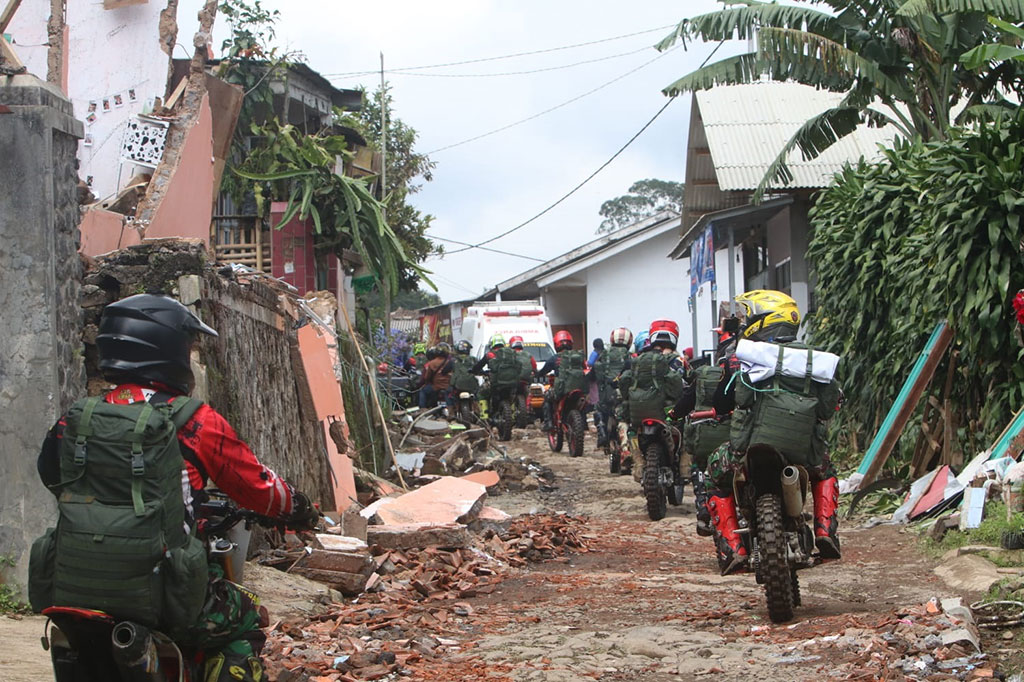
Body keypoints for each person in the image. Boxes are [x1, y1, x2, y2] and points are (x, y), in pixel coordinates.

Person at [31, 294, 319, 682]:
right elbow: (257, 487)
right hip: (164, 596)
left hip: (73, 589)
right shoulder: (195, 420)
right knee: (246, 615)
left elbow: (51, 476)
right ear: (168, 349)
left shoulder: (77, 419)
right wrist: (299, 508)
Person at [704, 290, 842, 576]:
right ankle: (825, 529)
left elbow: (725, 401)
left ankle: (733, 549)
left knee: (714, 474)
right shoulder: (814, 360)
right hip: (805, 453)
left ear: (763, 320)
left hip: (749, 449)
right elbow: (829, 407)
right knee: (825, 471)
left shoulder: (746, 358)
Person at [673, 325, 739, 538]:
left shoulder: (703, 374)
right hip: (737, 437)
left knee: (700, 468)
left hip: (705, 435)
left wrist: (674, 414)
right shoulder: (753, 374)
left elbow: (686, 402)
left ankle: (703, 509)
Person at [535, 330, 587, 432]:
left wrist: (537, 374)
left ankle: (548, 423)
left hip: (561, 390)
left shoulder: (555, 358)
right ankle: (584, 423)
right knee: (582, 402)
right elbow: (585, 368)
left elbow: (544, 371)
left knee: (547, 398)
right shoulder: (578, 356)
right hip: (579, 389)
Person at [591, 327, 632, 448]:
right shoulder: (631, 357)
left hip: (607, 396)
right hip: (626, 395)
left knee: (598, 409)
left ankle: (602, 434)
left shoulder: (603, 355)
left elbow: (594, 374)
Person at [472, 335, 523, 420]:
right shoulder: (511, 353)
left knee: (481, 394)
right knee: (512, 397)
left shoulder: (489, 355)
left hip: (495, 384)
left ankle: (484, 416)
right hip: (513, 382)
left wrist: (475, 371)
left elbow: (477, 367)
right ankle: (513, 415)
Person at [420, 342, 453, 409]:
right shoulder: (451, 362)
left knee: (423, 391)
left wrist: (426, 383)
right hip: (448, 386)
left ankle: (422, 409)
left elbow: (427, 377)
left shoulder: (432, 363)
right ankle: (451, 411)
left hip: (436, 387)